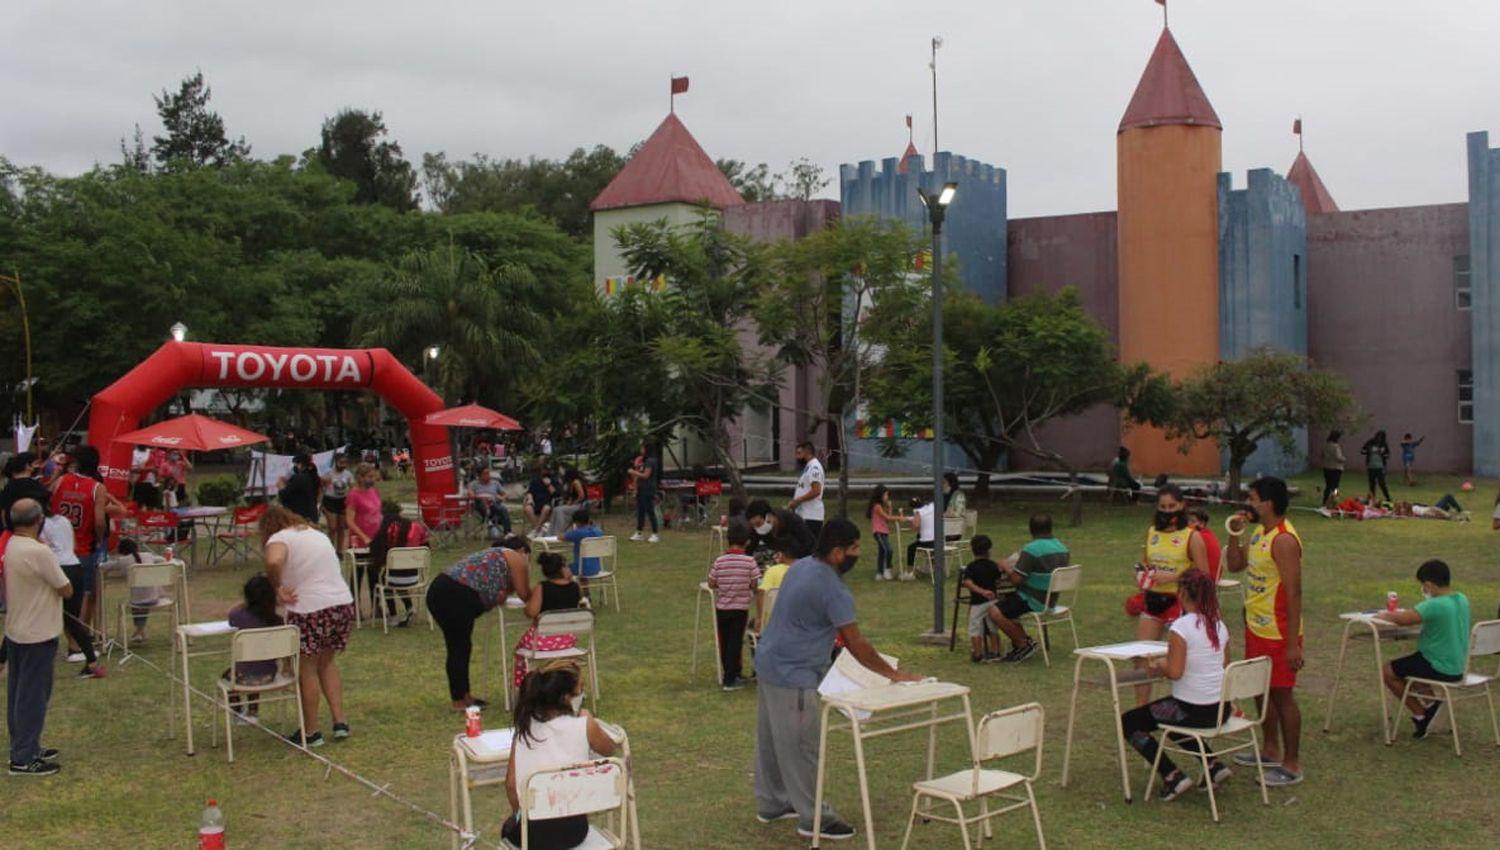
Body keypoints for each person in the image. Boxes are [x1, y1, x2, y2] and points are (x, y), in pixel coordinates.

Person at [753, 519, 919, 842]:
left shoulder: (799, 567)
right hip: (793, 673)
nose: (859, 553)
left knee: (773, 739)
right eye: (855, 547)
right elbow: (856, 643)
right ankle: (815, 818)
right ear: (837, 552)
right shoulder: (832, 588)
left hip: (769, 663)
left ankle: (772, 801)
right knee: (802, 746)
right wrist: (893, 674)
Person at [1120, 569, 1233, 801]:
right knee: (1168, 715)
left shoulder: (1182, 627)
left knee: (1130, 722)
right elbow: (1223, 664)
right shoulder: (1219, 625)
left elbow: (1175, 672)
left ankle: (1172, 775)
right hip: (1221, 709)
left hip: (1193, 711)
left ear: (1182, 594)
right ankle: (1212, 764)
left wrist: (1159, 663)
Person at [1224, 476, 1304, 786]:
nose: (1248, 504)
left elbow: (1295, 591)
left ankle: (1292, 763)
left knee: (1283, 695)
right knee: (1259, 688)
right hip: (1256, 626)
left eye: (1252, 498)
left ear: (1267, 503)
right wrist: (1234, 534)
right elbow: (1234, 566)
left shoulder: (1284, 540)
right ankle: (1270, 749)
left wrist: (1293, 644)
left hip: (1279, 631)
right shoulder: (1260, 533)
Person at [260, 504, 356, 748]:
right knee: (327, 663)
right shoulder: (317, 534)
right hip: (341, 603)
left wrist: (277, 587)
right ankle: (340, 721)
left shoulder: (279, 538)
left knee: (307, 669)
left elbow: (273, 561)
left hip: (309, 608)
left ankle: (311, 731)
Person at [502, 662, 618, 850]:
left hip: (533, 832)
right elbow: (609, 749)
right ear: (566, 698)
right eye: (580, 690)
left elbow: (511, 784)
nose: (583, 695)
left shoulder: (524, 728)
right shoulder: (584, 724)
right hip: (574, 830)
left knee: (509, 826)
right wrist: (587, 717)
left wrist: (519, 816)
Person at [4, 499, 72, 776]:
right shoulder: (38, 551)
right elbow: (65, 587)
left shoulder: (12, 545)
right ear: (38, 520)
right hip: (37, 632)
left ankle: (25, 745)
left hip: (17, 629)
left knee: (20, 693)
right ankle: (22, 757)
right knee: (33, 695)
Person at [426, 538, 533, 711]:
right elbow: (524, 593)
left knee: (462, 646)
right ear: (522, 550)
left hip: (444, 589)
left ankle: (465, 695)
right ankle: (458, 701)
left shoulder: (495, 558)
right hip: (453, 594)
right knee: (458, 647)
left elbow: (503, 593)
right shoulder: (515, 557)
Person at [1127, 484, 1208, 704]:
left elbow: (1203, 574)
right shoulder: (1152, 532)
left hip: (1180, 602)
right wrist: (1143, 573)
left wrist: (1173, 577)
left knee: (1181, 660)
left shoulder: (1191, 536)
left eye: (1172, 506)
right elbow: (1147, 561)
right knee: (1140, 657)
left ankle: (1189, 704)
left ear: (1182, 505)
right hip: (1153, 599)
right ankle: (1141, 709)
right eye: (1163, 506)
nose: (1168, 511)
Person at [1375, 559, 1471, 738]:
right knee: (1415, 665)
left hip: (1439, 666)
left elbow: (1406, 619)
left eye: (1423, 587)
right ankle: (1432, 707)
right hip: (1459, 666)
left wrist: (1386, 615)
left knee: (1388, 671)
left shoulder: (1435, 604)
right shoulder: (1461, 599)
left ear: (1428, 585)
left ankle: (1420, 715)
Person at [48, 445, 114, 676]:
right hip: (83, 547)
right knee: (83, 596)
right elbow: (98, 521)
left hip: (57, 548)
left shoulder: (62, 481)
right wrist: (98, 539)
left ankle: (71, 642)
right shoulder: (97, 488)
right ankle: (77, 643)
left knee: (59, 596)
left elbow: (48, 501)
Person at [993, 513, 1072, 663]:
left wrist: (1006, 566)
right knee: (1010, 604)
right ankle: (1023, 640)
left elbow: (1016, 580)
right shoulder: (1062, 548)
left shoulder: (1031, 550)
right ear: (1050, 528)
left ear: (1031, 530)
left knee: (995, 610)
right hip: (1051, 599)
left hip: (1034, 600)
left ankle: (1023, 644)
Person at [40, 504, 103, 678]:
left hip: (58, 567)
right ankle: (91, 660)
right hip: (74, 565)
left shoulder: (39, 524)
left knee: (30, 612)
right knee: (72, 619)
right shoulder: (64, 520)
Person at [512, 553, 583, 689]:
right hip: (568, 641)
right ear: (562, 569)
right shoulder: (575, 587)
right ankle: (571, 685)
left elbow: (531, 612)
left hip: (541, 642)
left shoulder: (542, 587)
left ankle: (524, 686)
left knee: (519, 650)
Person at [224, 575, 285, 724]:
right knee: (256, 666)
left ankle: (237, 710)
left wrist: (243, 603)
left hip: (244, 677)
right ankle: (253, 712)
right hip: (269, 674)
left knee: (229, 675)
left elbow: (230, 614)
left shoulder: (241, 616)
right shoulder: (277, 620)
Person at [708, 520, 758, 690]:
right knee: (735, 643)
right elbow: (754, 583)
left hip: (722, 608)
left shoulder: (720, 561)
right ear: (747, 541)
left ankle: (732, 672)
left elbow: (712, 581)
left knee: (725, 642)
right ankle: (730, 679)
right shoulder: (750, 562)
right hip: (739, 609)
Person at [369, 499, 430, 628]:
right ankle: (409, 607)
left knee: (387, 581)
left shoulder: (388, 529)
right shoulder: (417, 527)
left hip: (394, 577)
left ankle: (393, 615)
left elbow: (378, 550)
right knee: (396, 577)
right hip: (416, 577)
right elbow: (426, 548)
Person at [104, 538, 163, 643]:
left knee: (138, 601)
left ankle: (139, 631)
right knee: (145, 597)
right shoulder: (148, 556)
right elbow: (162, 559)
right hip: (155, 597)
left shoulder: (123, 561)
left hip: (137, 600)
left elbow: (104, 566)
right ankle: (140, 631)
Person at [959, 534, 1004, 662]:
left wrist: (981, 591)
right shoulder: (993, 565)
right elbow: (999, 578)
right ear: (988, 550)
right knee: (992, 627)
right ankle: (995, 651)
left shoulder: (971, 567)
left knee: (974, 627)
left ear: (972, 550)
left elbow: (967, 582)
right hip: (992, 601)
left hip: (978, 603)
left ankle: (978, 653)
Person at [746, 499, 815, 563]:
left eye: (758, 524)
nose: (757, 528)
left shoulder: (793, 521)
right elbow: (750, 549)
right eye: (753, 525)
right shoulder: (756, 530)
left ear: (769, 516)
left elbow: (809, 544)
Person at [0, 454, 50, 531]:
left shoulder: (9, 486)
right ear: (27, 466)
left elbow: (3, 510)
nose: (38, 467)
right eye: (35, 463)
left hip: (12, 530)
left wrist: (6, 528)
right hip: (33, 530)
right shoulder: (36, 486)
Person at [788, 442, 825, 540]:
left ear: (807, 452)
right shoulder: (808, 467)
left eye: (799, 453)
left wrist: (798, 500)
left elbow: (816, 490)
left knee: (808, 546)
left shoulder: (814, 468)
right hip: (803, 514)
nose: (797, 457)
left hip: (811, 516)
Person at [559, 509, 604, 586]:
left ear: (576, 522)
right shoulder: (598, 532)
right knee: (582, 565)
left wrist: (567, 526)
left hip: (581, 569)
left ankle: (568, 591)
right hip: (597, 568)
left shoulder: (578, 533)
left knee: (561, 569)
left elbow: (560, 537)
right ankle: (586, 594)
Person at [626, 442, 659, 543]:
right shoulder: (643, 461)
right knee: (641, 511)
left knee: (650, 511)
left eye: (642, 448)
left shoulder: (650, 461)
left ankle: (655, 533)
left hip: (648, 489)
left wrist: (633, 472)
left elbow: (646, 475)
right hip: (641, 488)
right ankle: (639, 532)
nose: (641, 450)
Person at [321, 453, 354, 554]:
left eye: (345, 463)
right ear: (336, 462)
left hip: (342, 501)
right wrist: (319, 503)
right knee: (332, 527)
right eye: (341, 463)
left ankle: (339, 551)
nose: (343, 465)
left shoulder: (348, 474)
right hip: (330, 500)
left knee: (341, 527)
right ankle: (329, 550)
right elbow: (321, 488)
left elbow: (352, 487)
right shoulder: (328, 473)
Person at [466, 466, 511, 537]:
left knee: (503, 509)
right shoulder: (474, 484)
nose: (488, 475)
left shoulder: (495, 483)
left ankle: (507, 533)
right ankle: (490, 523)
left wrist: (502, 498)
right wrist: (480, 497)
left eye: (488, 473)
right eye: (485, 473)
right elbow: (471, 494)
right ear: (479, 475)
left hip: (493, 504)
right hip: (479, 505)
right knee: (482, 503)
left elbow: (505, 494)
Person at [277, 452, 322, 524]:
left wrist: (281, 486)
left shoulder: (298, 478)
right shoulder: (314, 477)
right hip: (312, 515)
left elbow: (285, 495)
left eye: (295, 464)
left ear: (300, 464)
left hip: (299, 516)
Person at [903, 495, 937, 581]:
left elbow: (916, 526)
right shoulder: (931, 507)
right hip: (937, 540)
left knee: (911, 548)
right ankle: (931, 566)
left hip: (928, 542)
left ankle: (909, 572)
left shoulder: (918, 512)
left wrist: (912, 524)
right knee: (920, 540)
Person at [866, 485, 895, 581]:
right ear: (880, 495)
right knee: (888, 550)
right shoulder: (877, 506)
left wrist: (890, 508)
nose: (887, 497)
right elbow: (888, 518)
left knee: (882, 552)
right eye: (886, 495)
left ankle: (879, 573)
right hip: (878, 532)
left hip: (884, 531)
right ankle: (887, 569)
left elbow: (887, 520)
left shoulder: (882, 506)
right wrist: (900, 518)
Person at [550, 467, 588, 535]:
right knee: (555, 509)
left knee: (560, 510)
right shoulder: (571, 483)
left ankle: (559, 531)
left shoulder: (576, 482)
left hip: (579, 505)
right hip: (574, 504)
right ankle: (552, 531)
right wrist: (568, 503)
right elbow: (571, 496)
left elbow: (582, 496)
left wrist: (574, 503)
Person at [1187, 508, 1223, 580]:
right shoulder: (1208, 534)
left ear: (1202, 524)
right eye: (1187, 521)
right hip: (1215, 576)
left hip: (1206, 579)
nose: (1188, 524)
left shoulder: (1197, 537)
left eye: (1193, 521)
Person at [523, 467, 556, 539]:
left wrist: (548, 485)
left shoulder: (554, 481)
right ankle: (537, 530)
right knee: (528, 508)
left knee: (546, 508)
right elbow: (529, 492)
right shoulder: (535, 481)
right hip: (535, 502)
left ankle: (536, 530)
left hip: (547, 503)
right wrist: (530, 499)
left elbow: (555, 494)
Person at [1361, 430, 1392, 503]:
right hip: (1371, 466)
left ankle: (1388, 498)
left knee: (1382, 483)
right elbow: (1363, 451)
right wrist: (1369, 451)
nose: (1379, 439)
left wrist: (1382, 454)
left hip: (1380, 467)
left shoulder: (1384, 444)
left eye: (1381, 438)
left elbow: (1387, 455)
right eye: (1378, 437)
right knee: (1372, 483)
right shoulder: (1370, 442)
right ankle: (1372, 498)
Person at [1320, 430, 1345, 508]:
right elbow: (1338, 457)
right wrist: (1344, 459)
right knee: (1335, 486)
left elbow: (1322, 456)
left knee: (1328, 486)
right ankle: (1334, 501)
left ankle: (1325, 501)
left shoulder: (1326, 445)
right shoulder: (1336, 446)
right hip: (1336, 468)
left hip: (1327, 468)